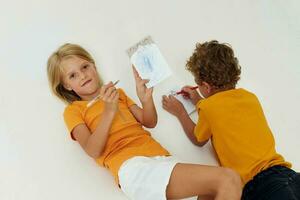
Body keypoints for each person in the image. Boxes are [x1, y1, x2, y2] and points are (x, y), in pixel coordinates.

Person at [46, 43, 241, 200]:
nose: (83, 75)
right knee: (228, 179)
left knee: (213, 192)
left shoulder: (118, 94)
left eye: (85, 67)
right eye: (73, 75)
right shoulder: (73, 111)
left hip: (160, 158)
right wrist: (108, 111)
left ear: (93, 66)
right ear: (66, 85)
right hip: (133, 168)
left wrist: (145, 99)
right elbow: (92, 150)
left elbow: (149, 121)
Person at [162, 40, 300, 200]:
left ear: (206, 87)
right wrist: (199, 101)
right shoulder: (250, 97)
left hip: (260, 186)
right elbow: (226, 112)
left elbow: (198, 138)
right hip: (286, 173)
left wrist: (180, 112)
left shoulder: (208, 108)